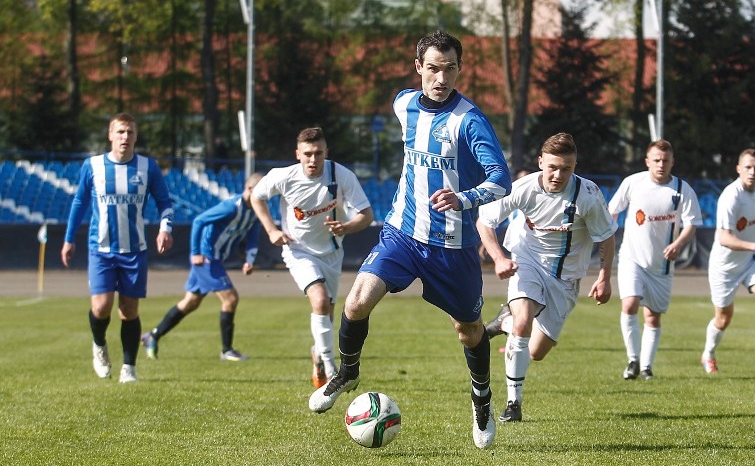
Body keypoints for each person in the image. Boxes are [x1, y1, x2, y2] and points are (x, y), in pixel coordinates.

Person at [307, 30, 512, 450]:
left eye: (450, 68)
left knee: (469, 330)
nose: (441, 78)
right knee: (357, 300)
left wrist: (463, 197)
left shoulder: (469, 120)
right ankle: (347, 372)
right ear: (419, 67)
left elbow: (502, 180)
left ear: (459, 69)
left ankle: (482, 399)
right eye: (433, 68)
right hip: (402, 232)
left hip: (453, 248)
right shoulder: (403, 104)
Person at [478, 132, 617, 423]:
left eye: (566, 168)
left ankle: (503, 322)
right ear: (540, 162)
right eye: (552, 167)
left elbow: (606, 237)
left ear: (574, 166)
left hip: (566, 279)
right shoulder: (523, 187)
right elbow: (485, 220)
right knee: (524, 320)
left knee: (537, 351)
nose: (558, 174)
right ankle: (513, 404)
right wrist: (499, 258)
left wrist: (605, 277)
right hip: (526, 261)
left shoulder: (588, 195)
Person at [250, 127, 374, 388]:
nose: (313, 159)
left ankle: (318, 354)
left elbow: (366, 215)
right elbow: (256, 196)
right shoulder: (283, 176)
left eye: (318, 153)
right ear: (298, 154)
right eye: (307, 154)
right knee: (318, 301)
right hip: (298, 250)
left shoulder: (341, 175)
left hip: (332, 252)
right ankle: (331, 370)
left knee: (327, 312)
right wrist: (272, 230)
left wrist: (347, 227)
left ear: (326, 153)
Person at [61, 112, 174, 384]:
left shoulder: (148, 167)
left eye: (130, 132)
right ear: (110, 135)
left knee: (129, 311)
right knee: (101, 308)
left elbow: (165, 202)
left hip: (134, 250)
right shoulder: (93, 166)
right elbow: (79, 203)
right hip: (100, 249)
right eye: (120, 132)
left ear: (136, 136)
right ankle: (99, 346)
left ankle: (128, 368)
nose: (125, 137)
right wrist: (68, 238)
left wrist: (165, 228)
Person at [141, 173, 264, 362]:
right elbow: (199, 221)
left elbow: (254, 236)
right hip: (207, 258)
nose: (264, 196)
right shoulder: (232, 207)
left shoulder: (256, 211)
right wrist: (195, 252)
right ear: (249, 189)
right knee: (231, 298)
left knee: (190, 302)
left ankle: (153, 336)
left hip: (215, 259)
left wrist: (250, 259)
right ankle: (227, 350)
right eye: (261, 191)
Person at [608, 139, 702, 380]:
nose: (661, 165)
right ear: (647, 161)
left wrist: (678, 244)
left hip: (661, 263)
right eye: (657, 160)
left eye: (666, 161)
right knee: (629, 304)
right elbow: (613, 210)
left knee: (652, 315)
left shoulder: (682, 189)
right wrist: (605, 232)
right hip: (632, 258)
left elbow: (692, 222)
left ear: (673, 162)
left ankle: (647, 366)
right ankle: (632, 360)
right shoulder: (633, 183)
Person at [702, 148, 755, 375]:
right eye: (747, 167)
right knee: (723, 319)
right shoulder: (731, 196)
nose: (752, 172)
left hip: (750, 261)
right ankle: (708, 355)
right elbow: (724, 238)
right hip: (724, 268)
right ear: (738, 169)